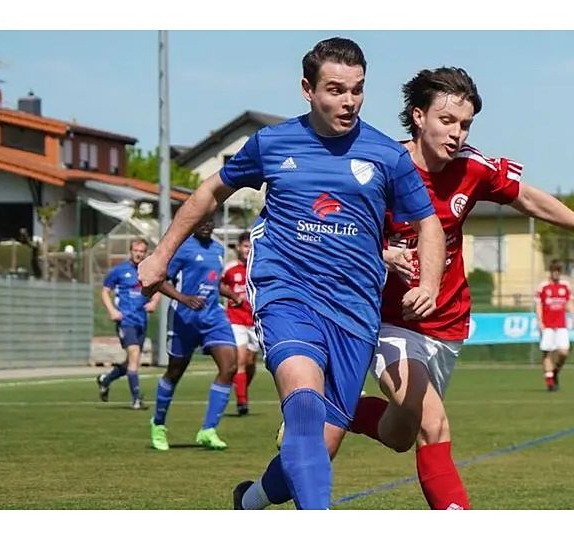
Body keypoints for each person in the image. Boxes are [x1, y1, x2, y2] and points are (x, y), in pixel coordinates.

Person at [137, 37, 444, 510]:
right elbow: (209, 192)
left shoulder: (387, 155)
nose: (349, 101)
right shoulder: (273, 143)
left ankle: (252, 501)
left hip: (354, 312)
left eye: (357, 89)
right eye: (335, 90)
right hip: (287, 293)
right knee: (302, 404)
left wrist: (429, 284)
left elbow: (428, 223)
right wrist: (160, 255)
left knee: (319, 446)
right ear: (307, 89)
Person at [345, 67, 574, 509]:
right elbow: (339, 232)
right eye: (447, 120)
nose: (457, 133)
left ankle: (336, 409)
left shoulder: (472, 167)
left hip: (447, 323)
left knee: (400, 433)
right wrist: (383, 254)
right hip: (390, 321)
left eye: (465, 124)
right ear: (419, 116)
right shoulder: (378, 168)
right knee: (434, 425)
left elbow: (529, 198)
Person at [149, 218, 239, 451]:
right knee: (175, 372)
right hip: (184, 319)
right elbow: (159, 280)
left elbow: (212, 281)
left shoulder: (218, 249)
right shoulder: (181, 248)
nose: (207, 225)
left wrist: (231, 294)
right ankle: (158, 423)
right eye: (202, 221)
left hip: (213, 318)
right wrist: (183, 298)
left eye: (210, 221)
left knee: (230, 367)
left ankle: (208, 430)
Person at [96, 238, 160, 409]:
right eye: (136, 251)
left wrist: (154, 303)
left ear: (146, 253)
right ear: (130, 251)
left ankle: (106, 379)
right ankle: (136, 399)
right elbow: (105, 292)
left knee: (131, 361)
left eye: (142, 251)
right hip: (126, 321)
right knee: (134, 355)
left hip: (141, 321)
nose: (139, 254)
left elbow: (157, 289)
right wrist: (112, 311)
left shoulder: (148, 271)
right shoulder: (119, 271)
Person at [220, 232, 258, 416]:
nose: (247, 249)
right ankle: (242, 402)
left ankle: (242, 389)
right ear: (239, 248)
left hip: (255, 321)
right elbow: (218, 285)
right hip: (235, 319)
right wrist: (232, 296)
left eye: (250, 246)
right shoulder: (230, 268)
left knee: (251, 362)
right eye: (245, 246)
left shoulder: (259, 267)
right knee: (240, 360)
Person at [537, 260, 574, 392]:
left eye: (558, 271)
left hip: (561, 325)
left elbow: (569, 302)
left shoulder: (565, 286)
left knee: (563, 352)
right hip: (547, 325)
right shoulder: (543, 286)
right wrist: (540, 321)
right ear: (551, 271)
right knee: (547, 352)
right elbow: (539, 305)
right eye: (554, 270)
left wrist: (573, 315)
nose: (556, 273)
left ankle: (555, 372)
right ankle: (550, 383)